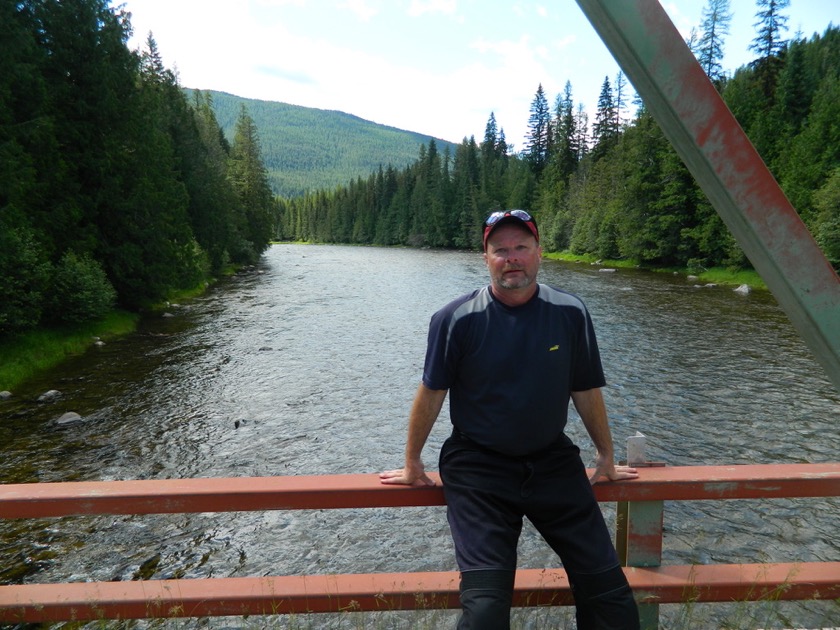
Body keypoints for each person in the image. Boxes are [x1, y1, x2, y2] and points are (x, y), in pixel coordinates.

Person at [380, 209, 641, 629]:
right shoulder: (455, 318)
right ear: (485, 258)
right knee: (484, 609)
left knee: (611, 597)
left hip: (552, 462)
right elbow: (432, 391)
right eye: (500, 249)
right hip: (478, 468)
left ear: (539, 253)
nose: (511, 257)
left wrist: (606, 455)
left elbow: (585, 388)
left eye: (521, 247)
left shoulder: (570, 311)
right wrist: (413, 461)